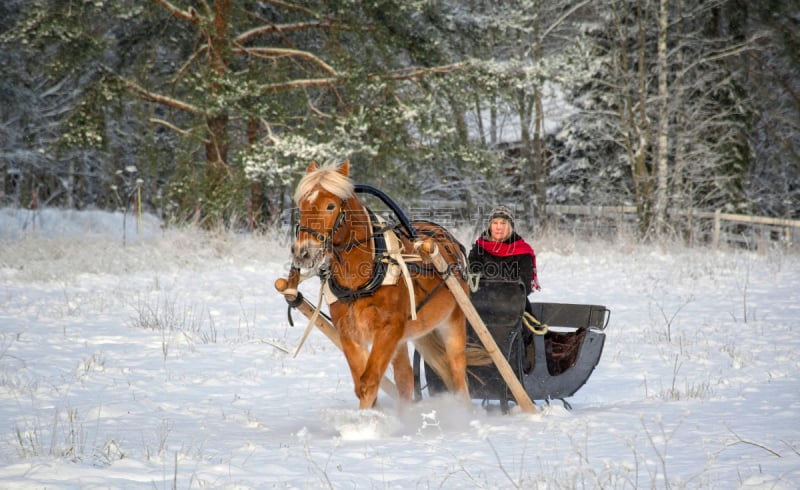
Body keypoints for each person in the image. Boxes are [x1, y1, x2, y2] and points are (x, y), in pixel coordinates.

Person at [467, 205, 540, 295]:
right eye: (495, 223)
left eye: (503, 223)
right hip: (482, 301)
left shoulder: (522, 251)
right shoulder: (478, 249)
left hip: (514, 302)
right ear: (490, 226)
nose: (499, 227)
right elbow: (471, 280)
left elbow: (525, 286)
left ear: (510, 227)